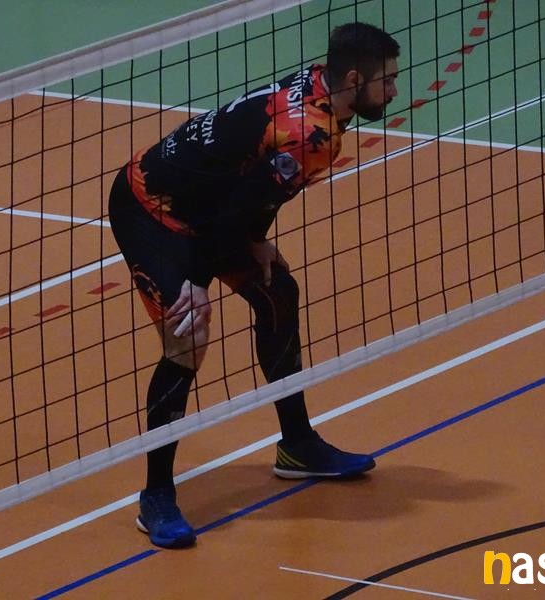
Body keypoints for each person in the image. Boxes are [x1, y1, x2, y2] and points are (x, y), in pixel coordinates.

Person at [108, 22, 399, 549]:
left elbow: (248, 190)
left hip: (209, 207)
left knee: (277, 293)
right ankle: (157, 496)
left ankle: (297, 446)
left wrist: (256, 239)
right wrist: (196, 280)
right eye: (387, 81)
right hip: (152, 209)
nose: (394, 91)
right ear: (353, 79)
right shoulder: (310, 134)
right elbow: (230, 212)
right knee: (188, 337)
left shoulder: (319, 90)